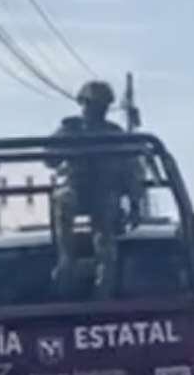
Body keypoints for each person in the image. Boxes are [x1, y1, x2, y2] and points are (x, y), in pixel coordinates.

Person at [50, 80, 146, 299]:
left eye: (101, 105)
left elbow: (132, 169)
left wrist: (134, 202)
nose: (95, 110)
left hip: (104, 193)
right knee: (64, 198)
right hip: (75, 188)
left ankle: (103, 290)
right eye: (91, 104)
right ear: (82, 103)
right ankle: (66, 260)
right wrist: (65, 141)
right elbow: (49, 159)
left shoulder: (114, 134)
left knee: (106, 245)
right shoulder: (71, 129)